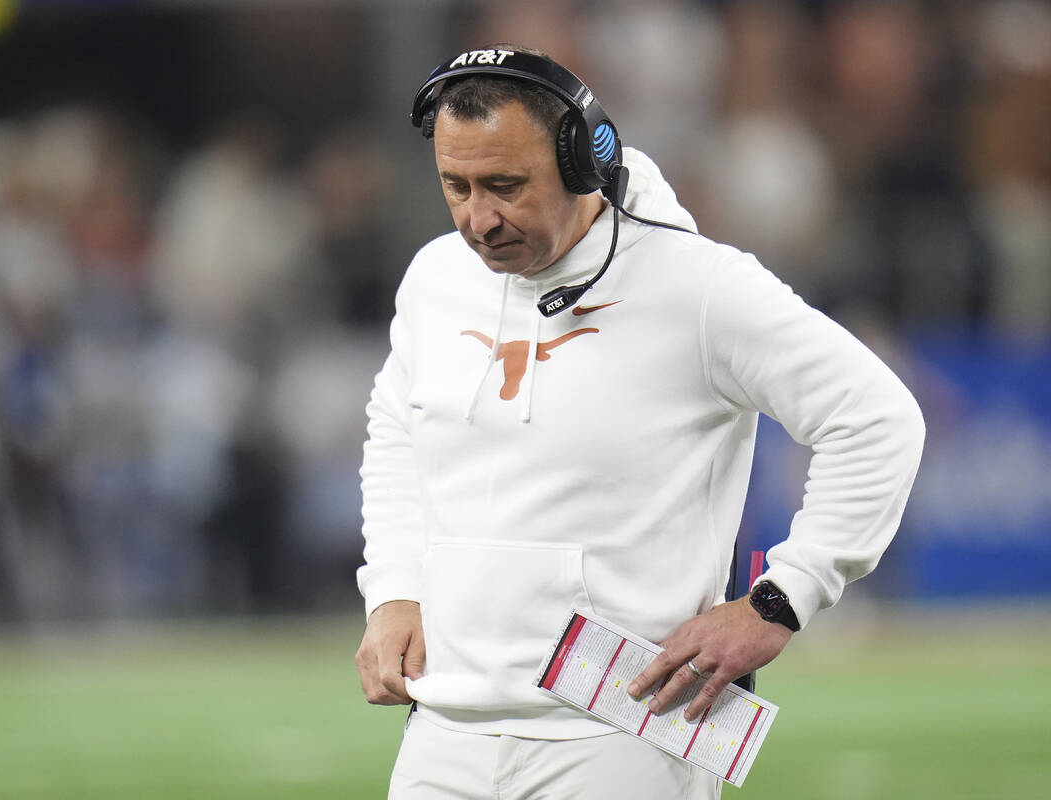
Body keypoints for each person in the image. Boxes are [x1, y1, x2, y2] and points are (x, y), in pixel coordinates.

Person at [355, 46, 924, 799]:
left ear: (584, 162)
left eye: (505, 185)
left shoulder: (697, 286)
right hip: (444, 726)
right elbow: (396, 426)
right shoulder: (434, 277)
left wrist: (782, 599)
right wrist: (393, 587)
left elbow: (878, 417)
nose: (477, 219)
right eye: (454, 186)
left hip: (622, 736)